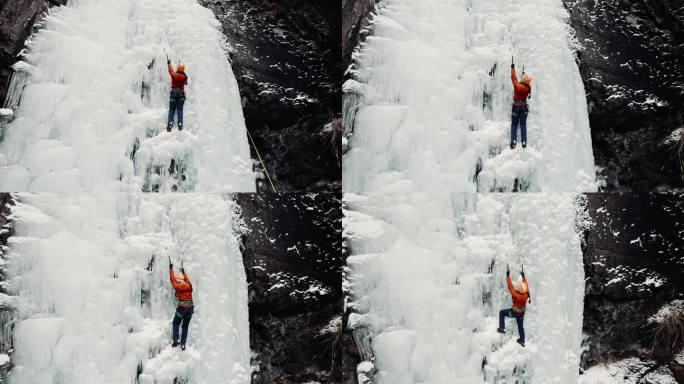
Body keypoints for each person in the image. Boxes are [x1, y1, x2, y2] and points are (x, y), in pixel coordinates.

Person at [497, 266, 529, 347]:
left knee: (502, 313)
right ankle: (522, 340)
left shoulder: (515, 294)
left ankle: (502, 328)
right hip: (521, 313)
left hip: (514, 312)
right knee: (520, 326)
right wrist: (523, 276)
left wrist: (508, 275)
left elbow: (510, 286)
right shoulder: (526, 294)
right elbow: (526, 286)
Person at [169, 262, 193, 350]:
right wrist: (184, 272)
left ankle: (176, 339)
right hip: (189, 309)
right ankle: (183, 344)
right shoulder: (189, 285)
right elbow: (188, 280)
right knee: (185, 326)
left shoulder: (177, 285)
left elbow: (172, 279)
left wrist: (171, 268)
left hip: (181, 308)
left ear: (179, 280)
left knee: (176, 323)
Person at [510, 62, 532, 149]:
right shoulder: (528, 88)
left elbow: (514, 78)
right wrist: (523, 74)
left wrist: (512, 68)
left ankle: (513, 141)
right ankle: (524, 141)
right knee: (523, 125)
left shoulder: (517, 86)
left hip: (516, 107)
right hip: (524, 108)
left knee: (514, 125)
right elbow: (526, 82)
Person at [167, 60, 188, 132]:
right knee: (180, 110)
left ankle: (170, 124)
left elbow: (170, 70)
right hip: (181, 95)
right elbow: (186, 82)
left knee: (172, 110)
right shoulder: (185, 77)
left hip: (173, 93)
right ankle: (180, 124)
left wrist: (169, 63)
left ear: (178, 68)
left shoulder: (174, 75)